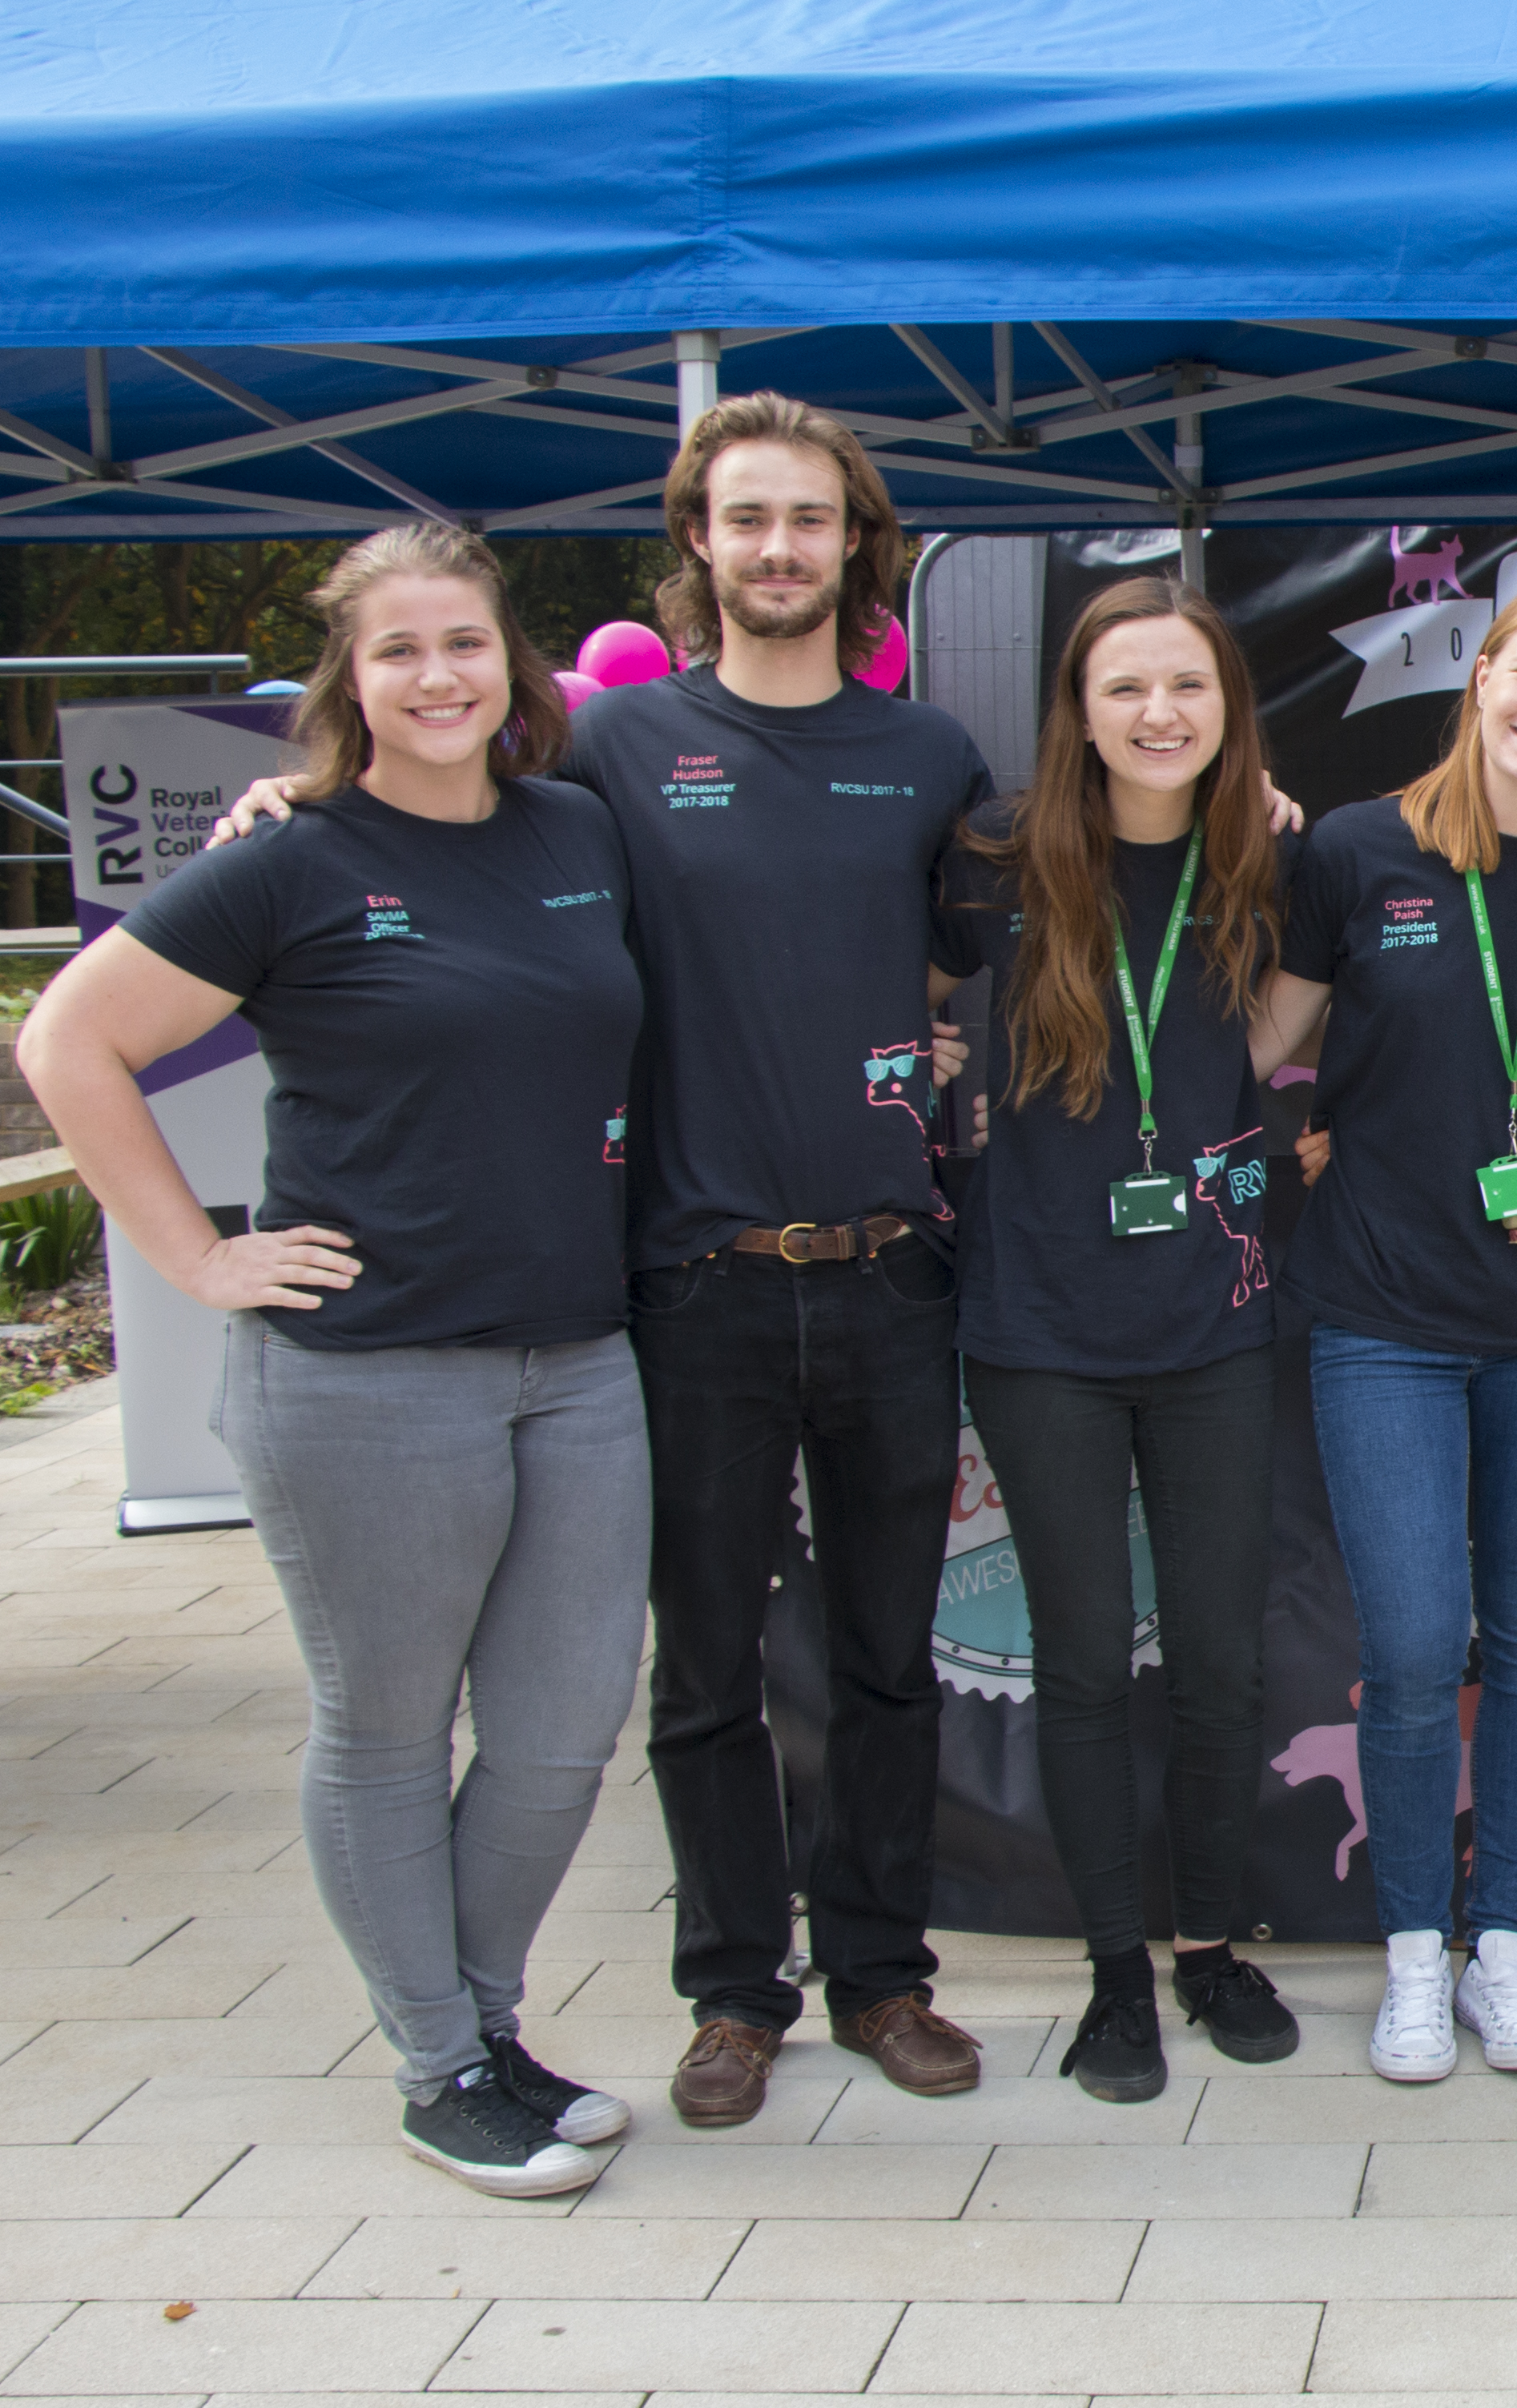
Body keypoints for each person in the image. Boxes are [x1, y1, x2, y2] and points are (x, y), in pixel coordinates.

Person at [216, 392, 993, 2121]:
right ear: (698, 544)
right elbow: (428, 816)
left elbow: (962, 961)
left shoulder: (932, 756)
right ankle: (733, 1994)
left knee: (885, 1658)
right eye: (746, 518)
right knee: (704, 1668)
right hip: (687, 1290)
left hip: (888, 1280)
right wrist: (300, 793)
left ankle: (881, 1975)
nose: (778, 547)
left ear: (854, 546)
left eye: (811, 519)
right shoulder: (604, 758)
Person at [20, 527, 647, 2195]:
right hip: (367, 1371)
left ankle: (489, 2024)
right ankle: (441, 2062)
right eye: (400, 651)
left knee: (559, 1734)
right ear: (348, 682)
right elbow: (71, 1038)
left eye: (467, 644)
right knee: (384, 1731)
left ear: (515, 667)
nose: (439, 676)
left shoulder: (575, 829)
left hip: (581, 1358)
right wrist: (197, 1252)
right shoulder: (288, 858)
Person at [1247, 577, 1517, 2082]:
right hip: (1382, 1315)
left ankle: (1505, 1946)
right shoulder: (1361, 852)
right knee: (1419, 1645)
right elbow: (1259, 1044)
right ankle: (1413, 1951)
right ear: (1480, 679)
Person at [930, 578, 1301, 2100]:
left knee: (1216, 1659)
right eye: (1128, 688)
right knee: (1085, 1666)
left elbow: (1287, 1035)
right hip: (1038, 1330)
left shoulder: (1271, 865)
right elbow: (855, 977)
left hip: (1211, 1319)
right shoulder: (988, 865)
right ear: (1077, 709)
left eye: (1190, 690)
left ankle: (1208, 1947)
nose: (1160, 715)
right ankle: (1112, 1980)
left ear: (1229, 711)